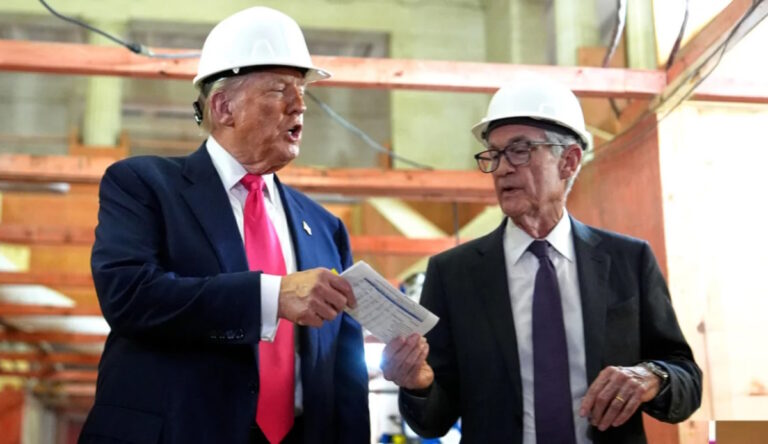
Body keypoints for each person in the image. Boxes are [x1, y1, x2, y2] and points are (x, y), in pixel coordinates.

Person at [79, 7, 369, 444]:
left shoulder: (325, 227)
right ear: (223, 107)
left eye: (302, 90)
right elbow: (129, 295)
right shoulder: (143, 184)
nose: (300, 105)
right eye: (280, 89)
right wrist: (271, 297)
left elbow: (344, 372)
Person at [382, 78, 702, 443]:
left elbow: (687, 380)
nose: (501, 169)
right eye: (494, 155)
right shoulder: (453, 274)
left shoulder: (629, 261)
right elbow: (433, 421)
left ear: (569, 161)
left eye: (519, 151)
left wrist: (652, 377)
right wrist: (417, 385)